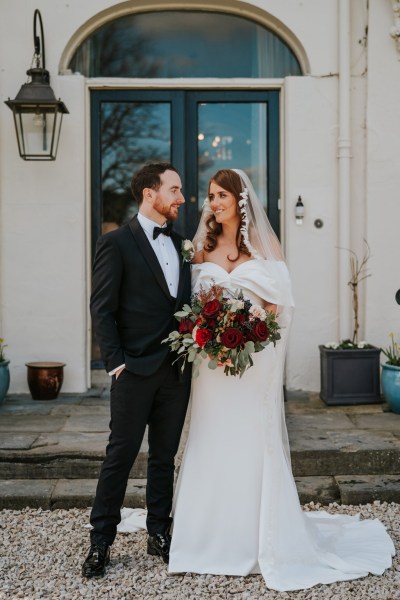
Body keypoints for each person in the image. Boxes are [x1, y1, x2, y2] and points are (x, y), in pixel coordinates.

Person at [167, 169, 394, 592]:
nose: (213, 203)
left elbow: (279, 308)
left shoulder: (266, 247)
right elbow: (190, 306)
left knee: (252, 440)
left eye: (221, 195)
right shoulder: (200, 249)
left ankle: (257, 539)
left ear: (240, 200)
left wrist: (251, 336)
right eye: (211, 196)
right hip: (210, 370)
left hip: (253, 367)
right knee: (210, 437)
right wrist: (207, 336)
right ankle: (203, 540)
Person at [82, 163, 192, 578]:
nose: (182, 198)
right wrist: (116, 364)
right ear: (150, 193)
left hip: (176, 371)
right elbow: (103, 308)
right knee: (120, 456)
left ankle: (159, 532)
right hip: (133, 371)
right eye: (175, 189)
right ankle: (100, 541)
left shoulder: (182, 244)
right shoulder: (116, 242)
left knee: (164, 457)